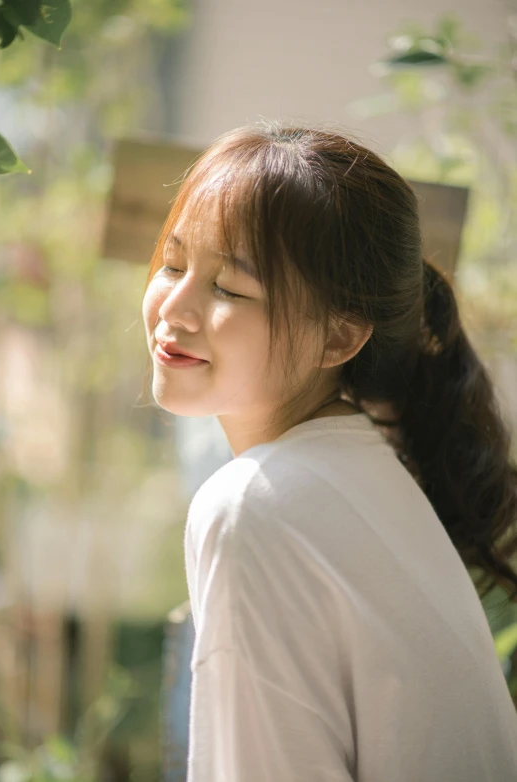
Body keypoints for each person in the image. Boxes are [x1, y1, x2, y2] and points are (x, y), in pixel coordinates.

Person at [141, 120, 517, 781]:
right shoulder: (369, 476)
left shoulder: (255, 506)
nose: (175, 306)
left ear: (339, 338)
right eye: (173, 263)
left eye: (229, 287)